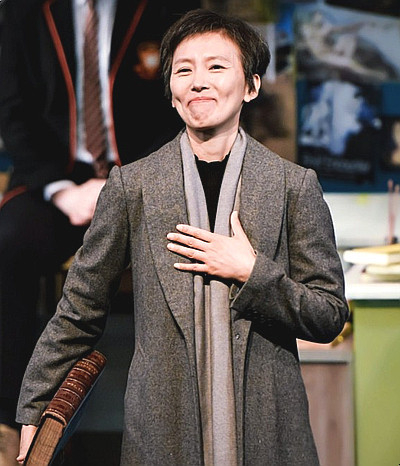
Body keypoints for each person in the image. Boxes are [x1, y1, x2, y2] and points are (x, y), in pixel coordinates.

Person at [16, 8, 349, 465]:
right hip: (163, 428)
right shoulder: (133, 186)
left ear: (251, 86)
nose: (198, 82)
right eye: (184, 70)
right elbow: (79, 311)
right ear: (171, 94)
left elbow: (328, 315)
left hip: (268, 430)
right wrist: (35, 406)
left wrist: (252, 272)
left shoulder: (293, 186)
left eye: (217, 67)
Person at [0, 0, 200, 462]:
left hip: (145, 175)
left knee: (187, 251)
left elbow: (183, 109)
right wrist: (60, 189)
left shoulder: (167, 8)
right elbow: (13, 110)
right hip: (55, 181)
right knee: (7, 246)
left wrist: (123, 184)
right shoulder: (24, 11)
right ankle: (10, 421)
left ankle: (187, 418)